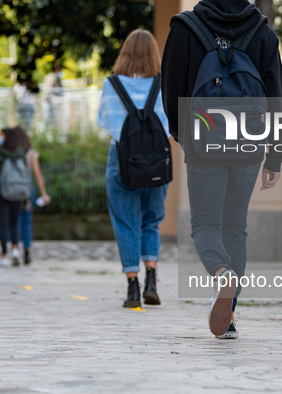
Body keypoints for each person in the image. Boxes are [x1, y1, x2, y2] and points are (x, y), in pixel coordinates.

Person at [162, 0, 282, 338]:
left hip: (204, 141)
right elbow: (277, 96)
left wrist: (182, 135)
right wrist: (276, 155)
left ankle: (222, 275)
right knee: (235, 227)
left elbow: (171, 89)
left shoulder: (185, 28)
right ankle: (229, 317)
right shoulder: (263, 33)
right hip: (249, 142)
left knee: (205, 223)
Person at [98, 29, 170, 308]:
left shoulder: (111, 85)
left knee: (126, 223)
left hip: (122, 159)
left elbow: (105, 122)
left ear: (124, 52)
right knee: (151, 220)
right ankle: (152, 278)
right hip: (156, 162)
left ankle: (132, 288)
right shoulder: (164, 84)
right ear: (154, 54)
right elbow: (170, 126)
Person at [0, 128, 27, 267]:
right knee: (14, 222)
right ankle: (15, 249)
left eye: (0, 135)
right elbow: (25, 174)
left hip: (0, 191)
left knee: (3, 224)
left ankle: (5, 256)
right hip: (17, 192)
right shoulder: (19, 153)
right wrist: (26, 198)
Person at [13, 127, 51, 265]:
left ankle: (15, 249)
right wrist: (44, 194)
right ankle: (27, 252)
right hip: (28, 190)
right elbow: (38, 176)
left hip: (14, 191)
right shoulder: (31, 154)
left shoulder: (11, 153)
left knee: (15, 221)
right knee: (26, 222)